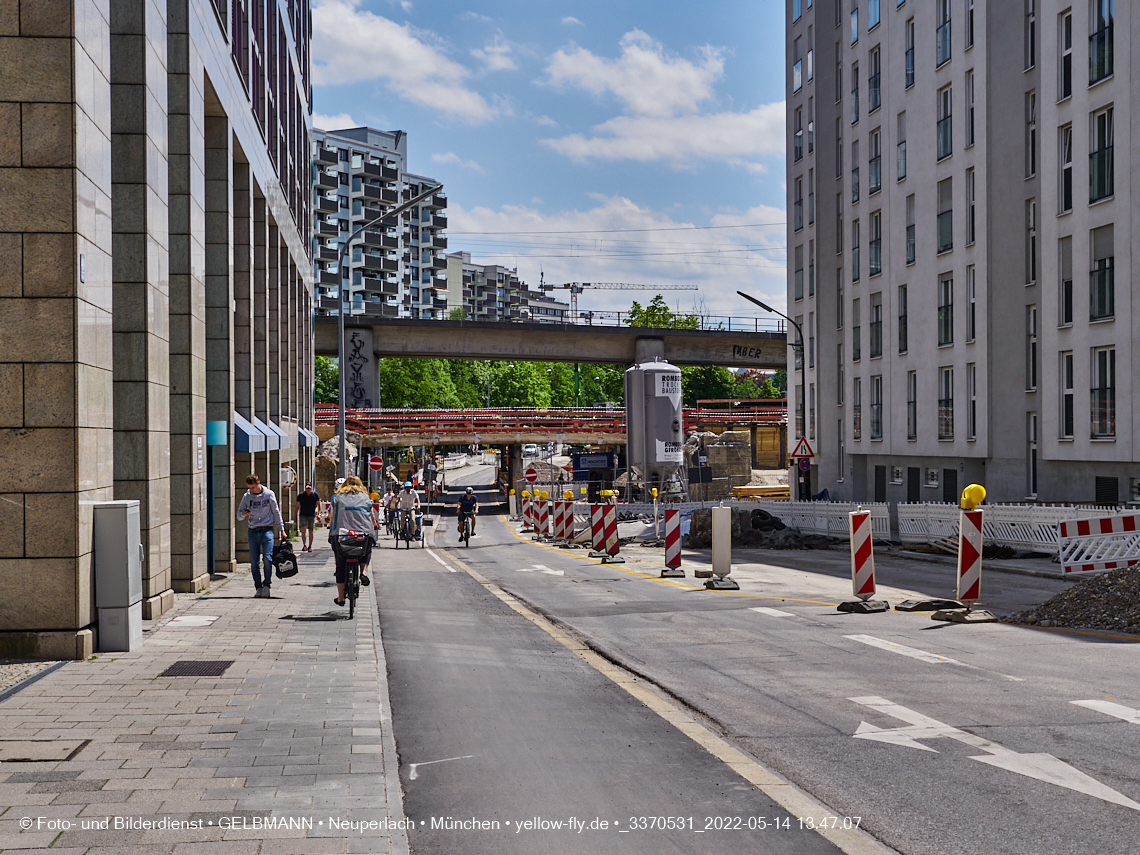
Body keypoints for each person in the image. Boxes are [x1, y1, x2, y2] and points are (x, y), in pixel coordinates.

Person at [236, 473, 287, 598]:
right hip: (253, 530)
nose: (251, 490)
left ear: (258, 484)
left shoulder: (269, 494)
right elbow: (238, 515)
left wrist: (282, 529)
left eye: (253, 487)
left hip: (267, 530)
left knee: (267, 558)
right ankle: (258, 586)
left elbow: (276, 512)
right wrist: (243, 514)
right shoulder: (247, 497)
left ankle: (267, 585)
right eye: (249, 488)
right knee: (254, 561)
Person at [328, 475, 375, 607]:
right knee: (367, 549)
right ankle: (363, 572)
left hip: (341, 536)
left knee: (340, 565)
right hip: (362, 536)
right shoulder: (366, 498)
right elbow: (371, 516)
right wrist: (374, 525)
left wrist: (330, 525)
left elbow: (331, 516)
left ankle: (341, 597)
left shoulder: (337, 499)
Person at [295, 483, 322, 552]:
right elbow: (297, 506)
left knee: (311, 530)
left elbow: (319, 504)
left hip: (311, 515)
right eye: (307, 488)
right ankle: (304, 545)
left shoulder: (315, 495)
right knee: (303, 528)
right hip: (303, 514)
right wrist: (295, 515)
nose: (308, 489)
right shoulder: (301, 495)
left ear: (311, 488)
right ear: (305, 488)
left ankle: (310, 546)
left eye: (309, 488)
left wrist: (319, 514)